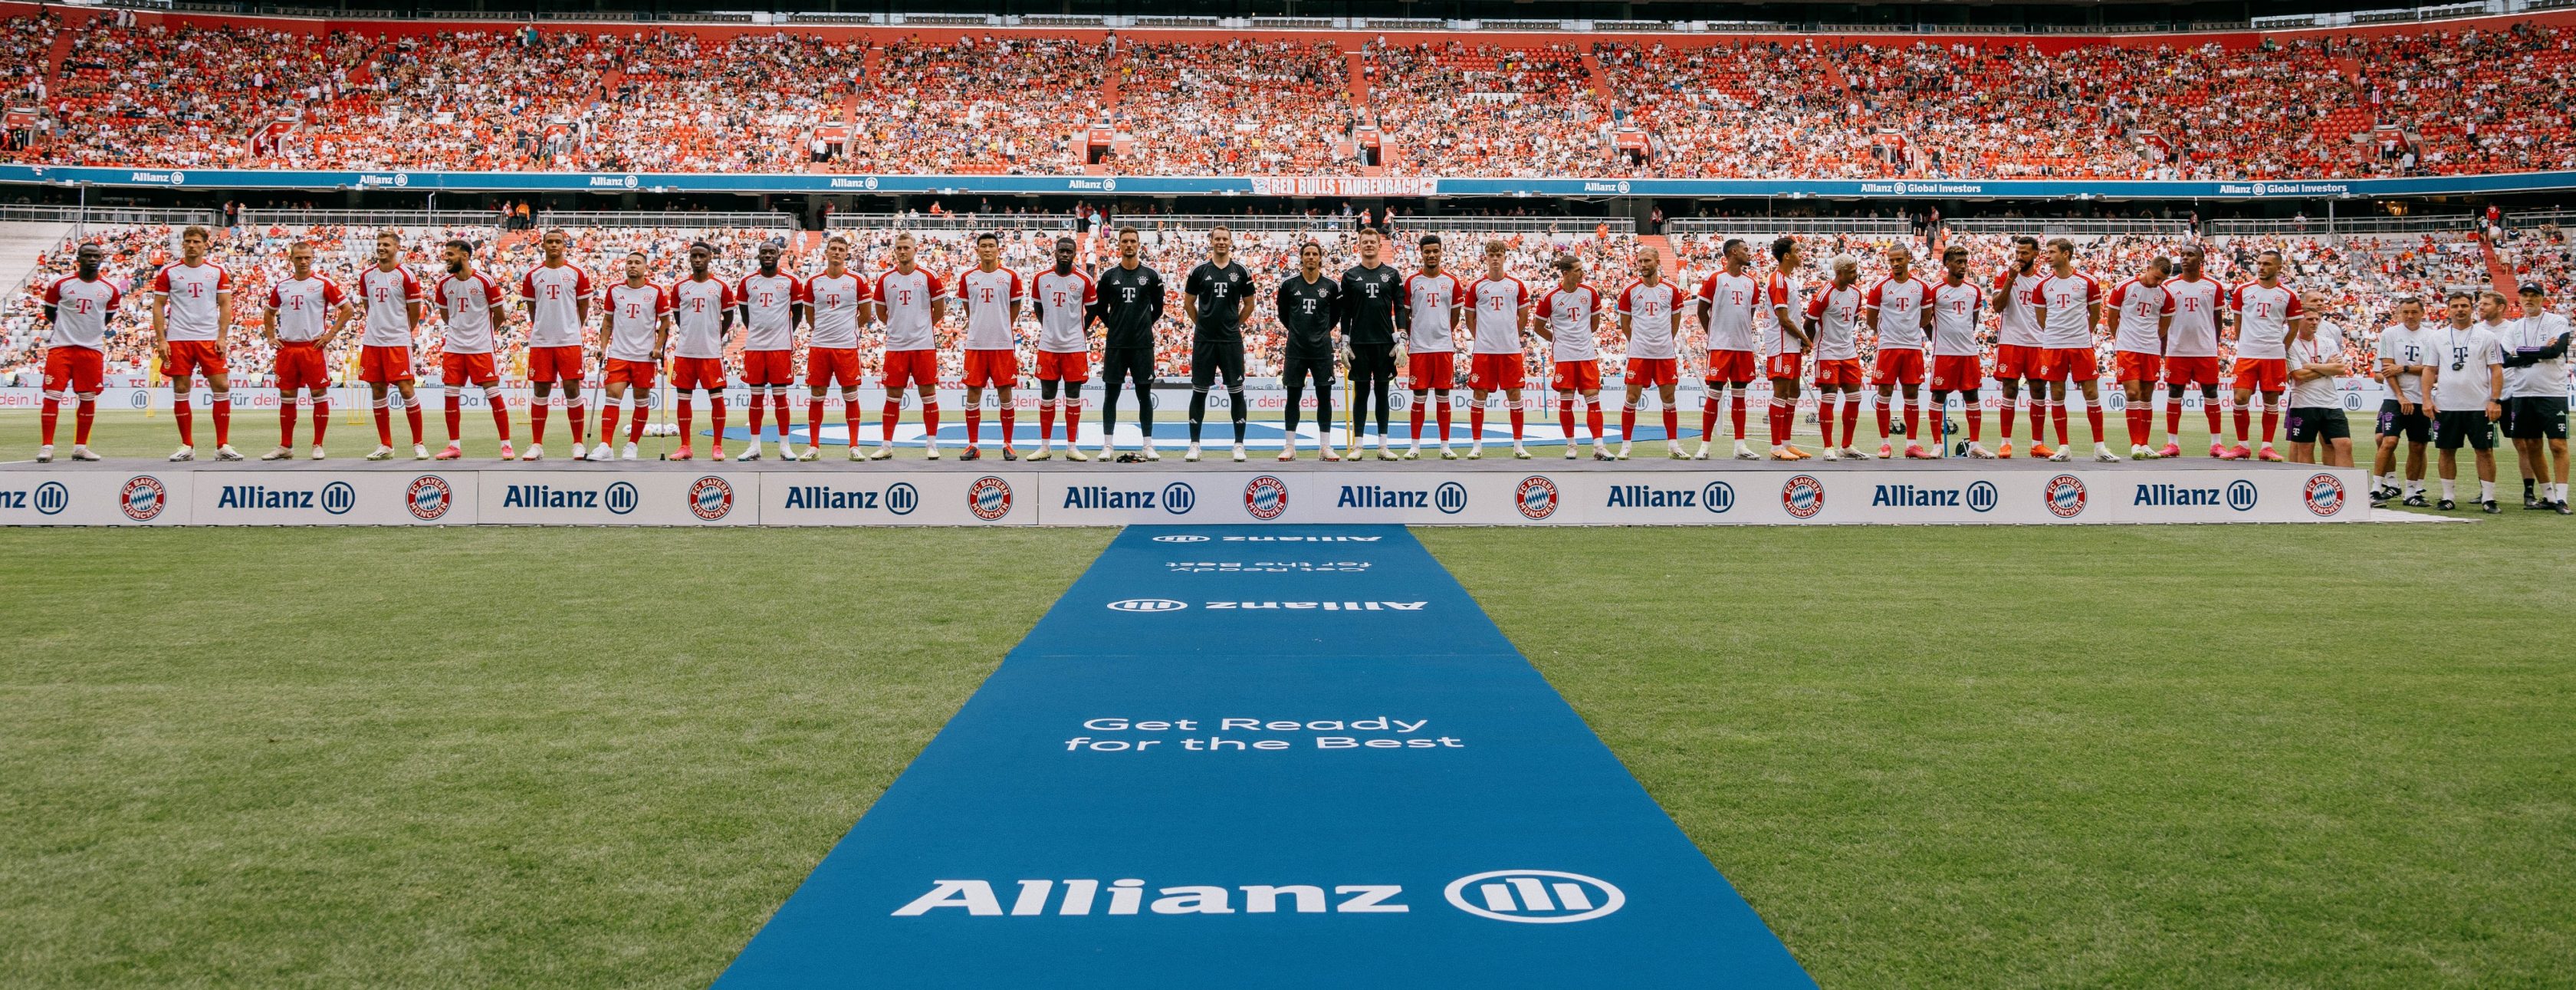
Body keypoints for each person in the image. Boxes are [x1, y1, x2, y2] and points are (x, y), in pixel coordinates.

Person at [151, 225, 241, 461]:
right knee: (181, 389)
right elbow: (158, 306)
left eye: (196, 242)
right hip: (179, 338)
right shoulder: (169, 272)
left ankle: (223, 445)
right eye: (188, 241)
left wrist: (222, 337)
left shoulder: (216, 271)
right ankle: (187, 446)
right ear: (183, 244)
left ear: (205, 244)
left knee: (221, 386)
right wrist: (162, 339)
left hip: (209, 338)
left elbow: (225, 305)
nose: (191, 245)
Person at [257, 242, 348, 461]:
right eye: (299, 258)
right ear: (291, 259)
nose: (303, 261)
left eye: (307, 257)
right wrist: (271, 337)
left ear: (313, 257)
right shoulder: (282, 286)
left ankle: (318, 444)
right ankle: (285, 446)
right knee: (287, 397)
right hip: (287, 348)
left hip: (312, 347)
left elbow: (347, 309)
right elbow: (269, 313)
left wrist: (330, 334)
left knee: (318, 395)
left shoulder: (322, 283)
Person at [2030, 238, 2118, 462]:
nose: (2047, 256)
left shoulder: (2087, 281)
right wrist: (2057, 334)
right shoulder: (2042, 285)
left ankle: (2100, 447)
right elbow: (2042, 319)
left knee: (2091, 394)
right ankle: (2064, 447)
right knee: (2057, 395)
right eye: (2047, 252)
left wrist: (2081, 333)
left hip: (2081, 345)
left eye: (2052, 252)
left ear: (2066, 254)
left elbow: (2096, 314)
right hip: (2053, 345)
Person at [429, 239, 513, 460]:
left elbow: (500, 315)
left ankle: (506, 445)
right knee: (450, 396)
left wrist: (484, 334)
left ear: (465, 256)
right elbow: (447, 316)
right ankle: (454, 445)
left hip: (481, 348)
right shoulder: (444, 284)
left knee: (493, 394)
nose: (445, 258)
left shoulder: (485, 281)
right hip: (454, 348)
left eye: (450, 254)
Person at [34, 243, 117, 463]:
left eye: (96, 256)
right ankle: (47, 446)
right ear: (78, 259)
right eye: (87, 256)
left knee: (88, 397)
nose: (92, 259)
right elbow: (50, 312)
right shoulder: (60, 284)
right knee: (53, 396)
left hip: (91, 350)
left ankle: (81, 447)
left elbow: (106, 318)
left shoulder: (111, 289)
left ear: (102, 259)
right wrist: (68, 331)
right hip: (61, 347)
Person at [1182, 225, 1255, 462]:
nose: (1221, 242)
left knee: (1237, 393)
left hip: (1230, 341)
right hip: (1204, 340)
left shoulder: (1242, 271)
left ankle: (1239, 445)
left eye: (1226, 238)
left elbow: (1250, 304)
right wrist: (1201, 324)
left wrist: (1235, 325)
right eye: (1218, 239)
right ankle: (1194, 444)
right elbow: (1189, 303)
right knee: (1199, 393)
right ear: (1210, 241)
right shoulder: (1199, 271)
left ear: (1231, 241)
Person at [518, 228, 593, 462]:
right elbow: (533, 310)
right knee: (541, 391)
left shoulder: (576, 273)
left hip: (569, 341)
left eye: (557, 242)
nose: (553, 245)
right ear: (542, 245)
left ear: (564, 245)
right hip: (541, 341)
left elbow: (583, 308)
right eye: (549, 242)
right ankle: (537, 444)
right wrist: (545, 326)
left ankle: (578, 444)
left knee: (572, 389)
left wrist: (571, 328)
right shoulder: (533, 275)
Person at [354, 229, 429, 461]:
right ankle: (386, 444)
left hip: (398, 341)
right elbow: (369, 307)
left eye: (386, 244)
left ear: (397, 248)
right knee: (378, 390)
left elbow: (415, 311)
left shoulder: (406, 275)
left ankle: (418, 443)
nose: (381, 248)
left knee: (407, 390)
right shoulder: (367, 275)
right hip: (373, 341)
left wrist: (402, 330)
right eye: (379, 244)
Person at [1092, 225, 1165, 460]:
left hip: (1143, 345)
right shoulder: (1109, 276)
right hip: (1116, 345)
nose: (1129, 245)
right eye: (1125, 241)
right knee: (1110, 395)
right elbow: (1100, 309)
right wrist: (1115, 326)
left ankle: (1147, 445)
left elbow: (1159, 309)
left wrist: (1143, 325)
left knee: (1144, 395)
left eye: (1133, 241)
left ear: (1139, 244)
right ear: (1119, 245)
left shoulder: (1151, 276)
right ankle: (1108, 446)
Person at [2430, 291, 2508, 512]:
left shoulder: (2487, 337)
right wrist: (2427, 399)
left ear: (2471, 308)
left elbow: (2496, 370)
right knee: (2446, 451)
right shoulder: (2437, 337)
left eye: (2464, 305)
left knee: (2484, 451)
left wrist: (2495, 400)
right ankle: (2448, 497)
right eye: (2455, 306)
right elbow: (2429, 370)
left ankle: (2489, 498)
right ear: (2448, 310)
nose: (2460, 310)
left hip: (2479, 405)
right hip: (2447, 404)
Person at [591, 251, 670, 462]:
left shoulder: (655, 291)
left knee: (641, 401)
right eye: (629, 262)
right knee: (612, 397)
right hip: (619, 354)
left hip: (644, 357)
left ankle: (632, 445)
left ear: (646, 268)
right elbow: (607, 322)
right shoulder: (615, 290)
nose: (632, 266)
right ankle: (606, 446)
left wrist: (658, 347)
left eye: (637, 263)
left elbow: (665, 323)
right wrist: (603, 346)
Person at [874, 232, 947, 459]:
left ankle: (931, 444)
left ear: (915, 250)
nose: (902, 251)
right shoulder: (886, 279)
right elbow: (881, 313)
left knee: (928, 394)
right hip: (896, 347)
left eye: (906, 247)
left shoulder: (929, 276)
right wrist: (900, 327)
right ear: (894, 251)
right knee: (892, 396)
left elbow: (940, 310)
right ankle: (886, 445)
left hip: (923, 346)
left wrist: (921, 327)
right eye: (899, 248)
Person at [2226, 249, 2303, 461]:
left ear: (2278, 267)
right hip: (2248, 354)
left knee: (2271, 400)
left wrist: (2281, 349)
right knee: (2240, 398)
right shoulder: (2243, 290)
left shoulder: (2289, 295)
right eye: (2259, 263)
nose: (2261, 267)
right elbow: (2238, 321)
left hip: (2274, 355)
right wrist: (2245, 344)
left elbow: (2294, 327)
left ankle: (2267, 447)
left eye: (2267, 264)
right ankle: (2242, 445)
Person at [2500, 283, 2570, 512]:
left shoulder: (2557, 321)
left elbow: (2555, 351)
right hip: (2522, 393)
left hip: (2552, 392)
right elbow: (2505, 360)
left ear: (2542, 298)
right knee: (2532, 445)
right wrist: (2539, 352)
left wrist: (2521, 351)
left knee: (2558, 445)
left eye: (2534, 295)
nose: (2529, 299)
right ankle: (2548, 496)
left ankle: (2562, 498)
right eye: (2525, 296)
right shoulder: (2514, 327)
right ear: (2519, 300)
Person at [955, 232, 1024, 461]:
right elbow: (968, 310)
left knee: (1005, 393)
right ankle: (973, 445)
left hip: (1002, 344)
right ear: (977, 250)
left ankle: (1008, 444)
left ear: (998, 250)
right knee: (973, 393)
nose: (987, 249)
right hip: (976, 344)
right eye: (983, 246)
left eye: (991, 246)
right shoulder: (967, 277)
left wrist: (1001, 325)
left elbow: (1014, 308)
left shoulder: (1010, 276)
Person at [1614, 245, 1688, 459]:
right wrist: (1638, 342)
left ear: (1657, 262)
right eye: (1640, 261)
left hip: (1664, 353)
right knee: (1631, 397)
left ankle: (1673, 445)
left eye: (1647, 261)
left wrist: (1664, 340)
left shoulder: (1671, 290)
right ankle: (1626, 445)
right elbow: (1625, 323)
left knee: (1669, 397)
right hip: (1639, 353)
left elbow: (1675, 321)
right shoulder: (1630, 290)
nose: (1643, 265)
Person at [1861, 244, 1934, 459]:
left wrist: (1909, 330)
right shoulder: (1879, 286)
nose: (1895, 264)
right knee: (1884, 393)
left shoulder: (1921, 286)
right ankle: (1885, 444)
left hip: (1912, 347)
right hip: (1888, 347)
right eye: (1891, 260)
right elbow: (1871, 320)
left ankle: (1911, 444)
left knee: (1911, 395)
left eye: (1899, 259)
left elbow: (1926, 317)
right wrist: (1889, 333)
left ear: (1908, 258)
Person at [801, 236, 871, 461]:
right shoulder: (813, 281)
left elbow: (867, 315)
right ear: (827, 253)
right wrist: (825, 330)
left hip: (847, 347)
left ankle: (854, 445)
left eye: (841, 249)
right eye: (833, 249)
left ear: (846, 254)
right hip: (820, 346)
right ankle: (813, 446)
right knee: (817, 395)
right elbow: (810, 316)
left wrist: (847, 329)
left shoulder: (857, 281)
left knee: (850, 395)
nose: (837, 253)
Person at [1533, 254, 1607, 460]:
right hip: (1564, 357)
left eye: (1582, 269)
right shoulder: (1550, 296)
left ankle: (1599, 445)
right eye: (1578, 270)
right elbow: (1538, 327)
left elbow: (1595, 323)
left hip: (1586, 354)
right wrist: (1559, 340)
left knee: (1593, 399)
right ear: (1565, 274)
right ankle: (1571, 445)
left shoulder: (1590, 292)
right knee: (1566, 402)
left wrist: (1579, 338)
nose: (1582, 273)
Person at [1694, 236, 1762, 460]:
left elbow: (1749, 314)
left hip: (1743, 347)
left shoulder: (1751, 283)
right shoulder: (1715, 279)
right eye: (1744, 249)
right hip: (1720, 346)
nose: (1748, 253)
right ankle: (1705, 444)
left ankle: (1740, 445)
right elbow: (1702, 311)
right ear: (1733, 252)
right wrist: (1713, 335)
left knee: (1740, 395)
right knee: (1714, 394)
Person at [666, 242, 736, 462]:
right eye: (694, 256)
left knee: (716, 398)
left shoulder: (720, 287)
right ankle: (685, 445)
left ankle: (717, 445)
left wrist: (716, 335)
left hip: (711, 352)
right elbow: (679, 319)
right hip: (686, 352)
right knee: (683, 399)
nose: (698, 260)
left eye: (702, 256)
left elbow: (729, 318)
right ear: (689, 258)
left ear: (709, 258)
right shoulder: (680, 287)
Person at [736, 241, 806, 462]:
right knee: (755, 398)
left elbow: (798, 312)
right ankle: (754, 445)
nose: (768, 255)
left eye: (772, 252)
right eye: (764, 252)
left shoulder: (791, 281)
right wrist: (757, 332)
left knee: (780, 398)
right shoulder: (748, 282)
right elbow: (745, 314)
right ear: (758, 255)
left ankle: (785, 445)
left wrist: (784, 335)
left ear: (779, 255)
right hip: (756, 348)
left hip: (780, 348)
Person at [1029, 236, 1096, 461]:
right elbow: (1038, 307)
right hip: (1048, 346)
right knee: (1047, 395)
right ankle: (1045, 446)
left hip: (1074, 347)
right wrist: (1048, 327)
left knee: (1073, 396)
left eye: (1069, 251)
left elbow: (1093, 310)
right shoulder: (1041, 278)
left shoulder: (1084, 280)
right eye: (1062, 250)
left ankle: (1071, 447)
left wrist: (1081, 330)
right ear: (1055, 252)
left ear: (1075, 254)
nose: (1065, 254)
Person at [1340, 226, 1405, 460]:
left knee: (1382, 392)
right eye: (1364, 242)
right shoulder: (1349, 276)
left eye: (1372, 242)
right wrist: (1344, 340)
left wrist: (1402, 336)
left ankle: (1383, 446)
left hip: (1384, 343)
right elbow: (1345, 311)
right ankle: (1358, 446)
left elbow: (1399, 308)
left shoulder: (1392, 274)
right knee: (1362, 393)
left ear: (1379, 245)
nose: (1369, 245)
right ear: (1359, 245)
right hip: (1359, 343)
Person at [1276, 240, 1344, 462]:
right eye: (1307, 254)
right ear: (1302, 257)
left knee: (1324, 397)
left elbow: (1335, 316)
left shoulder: (1332, 286)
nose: (1311, 257)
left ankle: (1325, 446)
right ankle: (1290, 446)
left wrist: (1320, 332)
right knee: (1292, 397)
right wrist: (1299, 332)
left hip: (1322, 349)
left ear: (1320, 258)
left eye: (1315, 254)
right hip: (1296, 348)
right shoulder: (1289, 285)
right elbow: (1283, 315)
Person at [2160, 244, 2230, 458]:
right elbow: (2163, 320)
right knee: (2174, 393)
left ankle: (2216, 443)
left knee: (2211, 392)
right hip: (2177, 349)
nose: (2184, 258)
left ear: (2201, 259)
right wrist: (2163, 348)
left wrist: (2213, 344)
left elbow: (2217, 319)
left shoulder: (2214, 286)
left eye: (2190, 255)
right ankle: (2172, 443)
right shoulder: (2169, 285)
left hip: (2205, 350)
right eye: (2182, 255)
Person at [1463, 241, 1530, 460]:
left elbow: (1524, 316)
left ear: (1504, 257)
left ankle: (1518, 445)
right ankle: (1476, 445)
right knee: (1479, 394)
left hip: (1510, 350)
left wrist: (1512, 335)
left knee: (1514, 394)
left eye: (1498, 255)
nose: (1495, 258)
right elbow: (1470, 319)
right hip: (1484, 351)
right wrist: (1481, 337)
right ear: (1485, 257)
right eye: (1491, 254)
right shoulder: (1476, 286)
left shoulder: (1516, 285)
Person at [1401, 234, 1466, 459]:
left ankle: (1445, 446)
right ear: (1421, 254)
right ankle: (1415, 446)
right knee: (1418, 396)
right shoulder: (1412, 282)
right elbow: (1406, 315)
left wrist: (1441, 331)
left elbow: (1455, 316)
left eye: (1435, 251)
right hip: (1419, 348)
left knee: (1443, 396)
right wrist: (1416, 334)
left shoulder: (1452, 282)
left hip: (1443, 347)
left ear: (1441, 252)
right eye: (1427, 251)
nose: (1431, 255)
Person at [2105, 256, 2175, 459]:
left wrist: (2152, 339)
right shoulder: (2124, 287)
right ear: (2148, 268)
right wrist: (2123, 338)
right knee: (2133, 393)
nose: (2157, 283)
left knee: (2147, 396)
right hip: (2128, 347)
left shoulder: (2165, 294)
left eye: (2162, 280)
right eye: (2156, 277)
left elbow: (2165, 325)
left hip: (2151, 349)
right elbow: (2112, 318)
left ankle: (2145, 443)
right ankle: (2135, 443)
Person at [1926, 245, 1992, 458]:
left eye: (1965, 262)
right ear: (1947, 264)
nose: (1963, 266)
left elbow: (1972, 321)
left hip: (1968, 352)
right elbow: (1925, 321)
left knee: (1972, 395)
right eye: (1958, 262)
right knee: (1938, 395)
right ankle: (1937, 445)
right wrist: (1935, 338)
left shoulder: (1973, 291)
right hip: (1944, 352)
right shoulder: (1935, 290)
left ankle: (1975, 445)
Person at [2371, 295, 2436, 506]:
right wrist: (2400, 395)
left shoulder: (2432, 337)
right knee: (2387, 441)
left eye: (2414, 312)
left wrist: (2405, 368)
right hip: (2394, 397)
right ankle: (2376, 488)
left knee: (2418, 446)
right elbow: (2386, 370)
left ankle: (2412, 492)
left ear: (2422, 313)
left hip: (2422, 397)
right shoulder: (2390, 334)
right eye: (2405, 312)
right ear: (2399, 313)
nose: (2409, 316)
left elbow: (2433, 369)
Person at [1805, 253, 1869, 461]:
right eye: (1852, 271)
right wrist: (1813, 344)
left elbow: (1854, 320)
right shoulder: (1825, 294)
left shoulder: (1856, 294)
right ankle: (1828, 446)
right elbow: (1808, 323)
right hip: (1827, 352)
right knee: (1829, 396)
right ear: (1840, 273)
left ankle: (1846, 445)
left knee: (1855, 397)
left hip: (1848, 351)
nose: (1856, 274)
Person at [1989, 235, 2048, 459]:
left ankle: (2037, 444)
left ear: (2035, 254)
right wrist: (2011, 280)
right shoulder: (2005, 275)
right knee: (2010, 389)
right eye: (2017, 253)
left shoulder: (2044, 280)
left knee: (2039, 390)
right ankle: (2005, 443)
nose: (2020, 257)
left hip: (2037, 342)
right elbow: (1997, 306)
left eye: (2025, 253)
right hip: (2011, 340)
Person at [2283, 293, 2351, 467]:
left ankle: (2347, 486)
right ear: (2299, 320)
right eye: (2310, 319)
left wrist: (2311, 366)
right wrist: (2325, 367)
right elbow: (2298, 375)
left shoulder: (2329, 338)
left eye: (2317, 319)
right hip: (2303, 402)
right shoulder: (2289, 341)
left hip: (2330, 402)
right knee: (2304, 446)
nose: (2315, 322)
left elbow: (2340, 368)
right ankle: (2304, 487)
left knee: (2343, 444)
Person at [1763, 237, 1814, 460]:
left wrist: (1800, 341)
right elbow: (1783, 319)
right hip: (1781, 343)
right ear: (1787, 256)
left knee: (1795, 392)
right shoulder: (1778, 281)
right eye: (1796, 251)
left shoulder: (1789, 281)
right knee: (1781, 393)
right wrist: (1805, 338)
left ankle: (1786, 442)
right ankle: (1775, 446)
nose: (1800, 254)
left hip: (1791, 344)